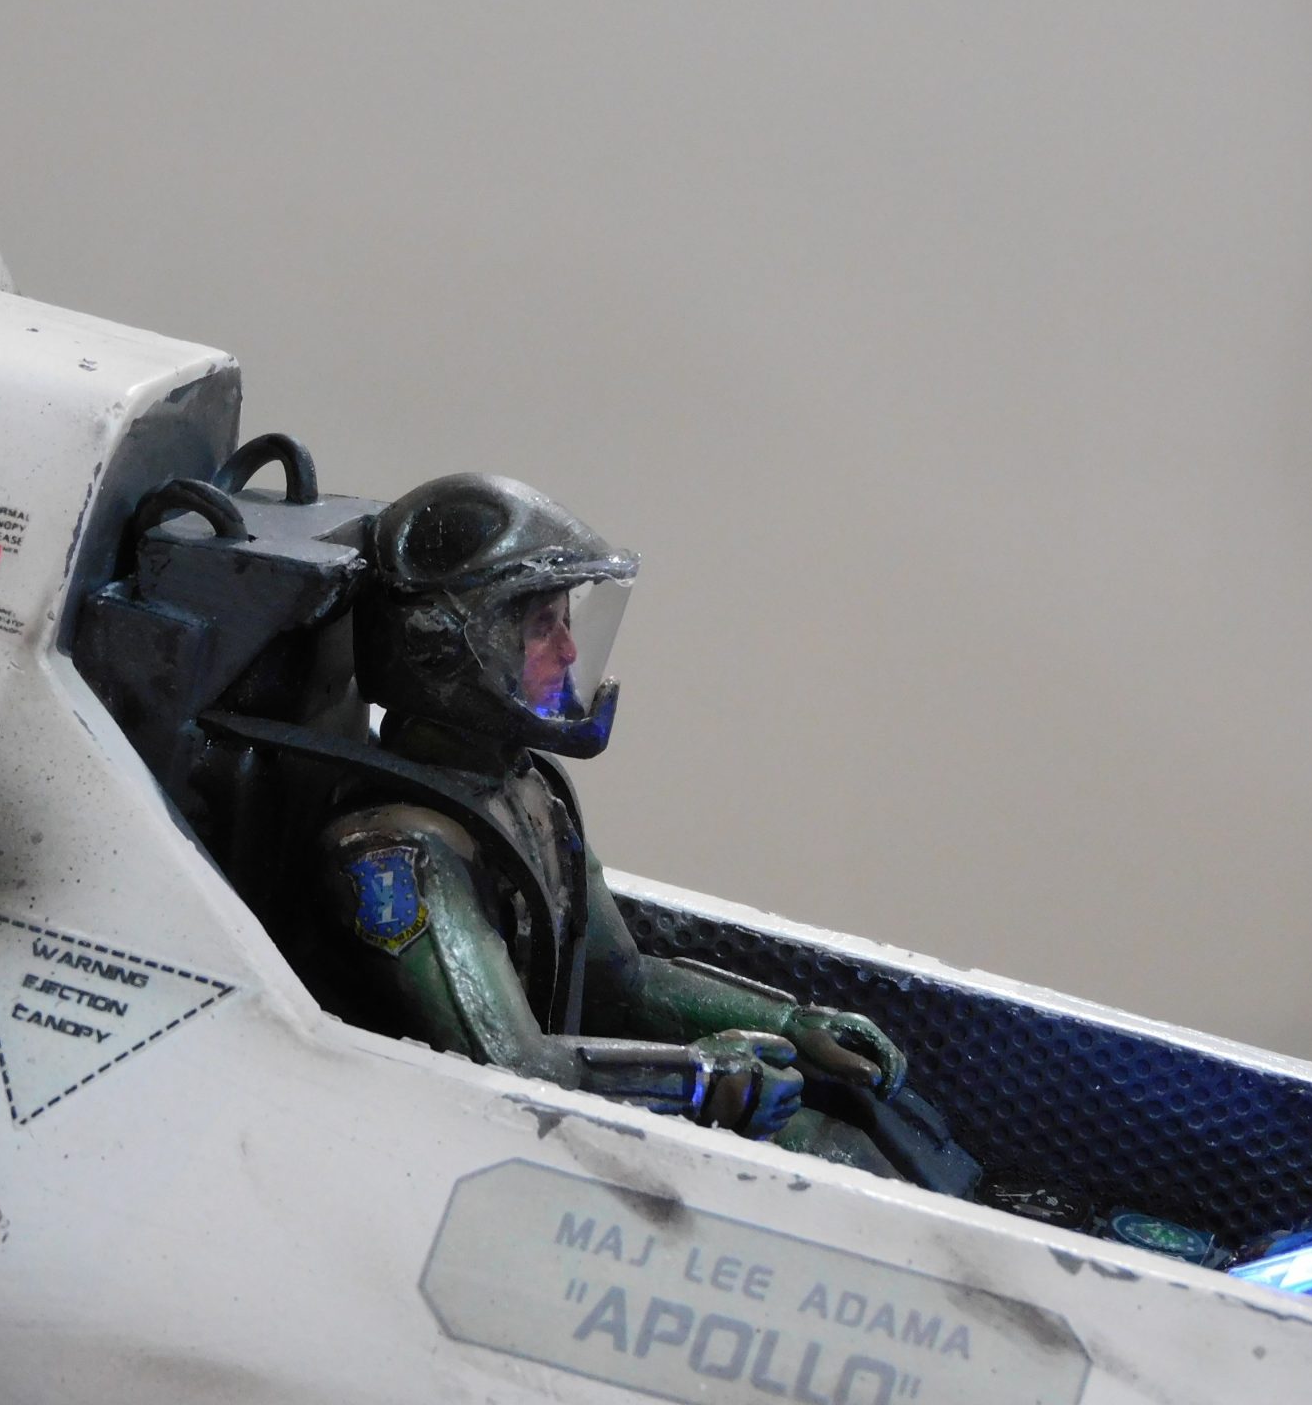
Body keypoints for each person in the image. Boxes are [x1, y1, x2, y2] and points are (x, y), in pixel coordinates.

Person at [318, 473, 937, 1172]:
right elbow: (511, 1072)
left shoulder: (524, 791)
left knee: (870, 1123)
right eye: (540, 625)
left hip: (542, 1122)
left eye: (566, 620)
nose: (569, 652)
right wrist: (698, 1083)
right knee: (829, 1155)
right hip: (458, 1154)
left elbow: (624, 984)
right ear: (444, 652)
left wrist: (790, 1023)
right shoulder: (397, 853)